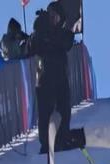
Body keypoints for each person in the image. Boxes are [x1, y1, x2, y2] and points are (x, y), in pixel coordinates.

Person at [27, 1, 74, 154]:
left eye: (56, 16)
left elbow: (66, 43)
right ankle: (46, 144)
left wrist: (49, 32)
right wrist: (39, 29)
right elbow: (30, 47)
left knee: (64, 111)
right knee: (45, 114)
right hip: (44, 80)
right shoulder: (40, 33)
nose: (53, 18)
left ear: (61, 18)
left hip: (60, 79)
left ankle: (62, 140)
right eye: (51, 16)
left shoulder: (64, 33)